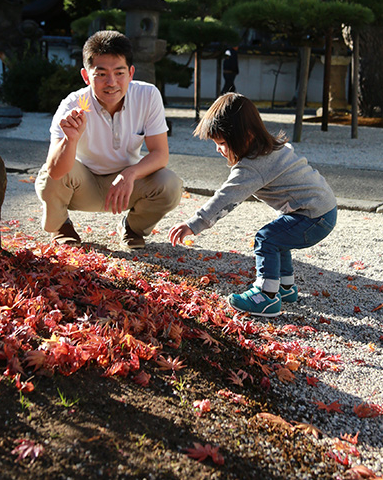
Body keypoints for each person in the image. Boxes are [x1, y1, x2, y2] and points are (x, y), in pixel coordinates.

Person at [168, 93, 337, 317]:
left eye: (221, 143)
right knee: (279, 236)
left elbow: (226, 196)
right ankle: (285, 288)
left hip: (314, 217)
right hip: (323, 211)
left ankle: (266, 296)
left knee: (266, 238)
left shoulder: (253, 165)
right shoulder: (272, 147)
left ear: (245, 136)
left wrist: (195, 223)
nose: (218, 149)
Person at [35, 30, 183, 249]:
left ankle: (132, 228)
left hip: (127, 185)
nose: (112, 82)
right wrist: (70, 140)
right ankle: (61, 227)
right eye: (101, 74)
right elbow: (56, 172)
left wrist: (130, 173)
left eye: (119, 73)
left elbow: (160, 154)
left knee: (170, 184)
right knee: (48, 175)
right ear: (86, 76)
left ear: (131, 73)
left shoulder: (147, 95)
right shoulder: (72, 105)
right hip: (83, 184)